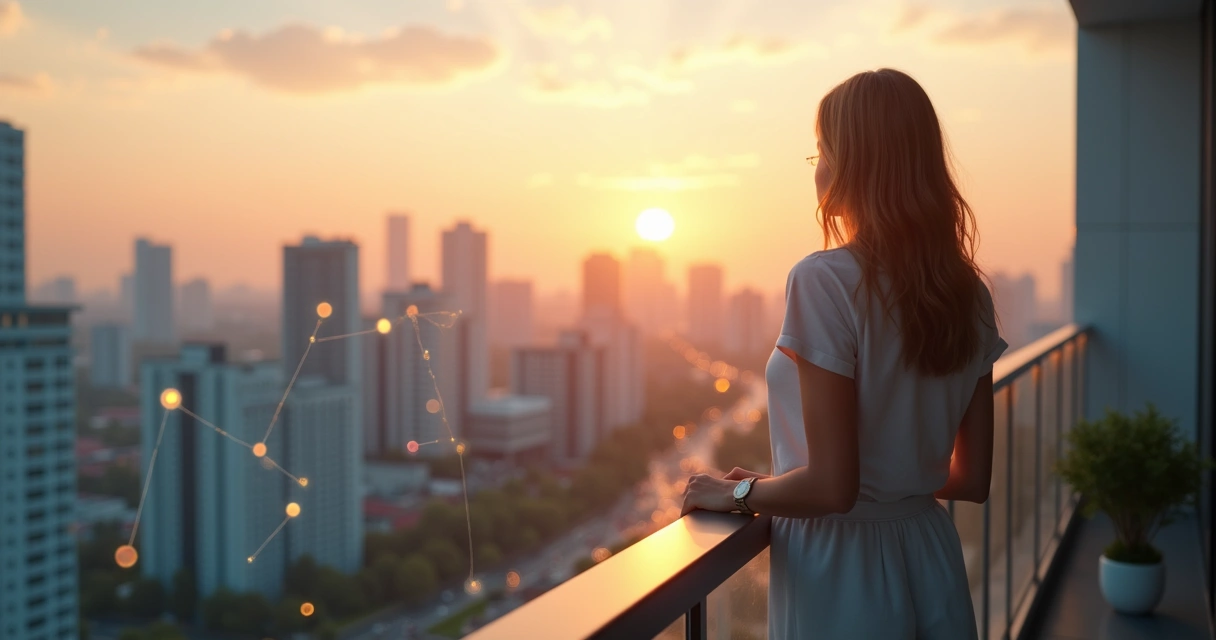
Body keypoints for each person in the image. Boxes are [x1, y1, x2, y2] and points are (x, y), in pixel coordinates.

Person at [680, 68, 1006, 639]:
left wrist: (737, 492)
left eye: (821, 154)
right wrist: (881, 478)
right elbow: (971, 478)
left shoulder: (824, 281)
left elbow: (833, 489)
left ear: (855, 165)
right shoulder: (969, 293)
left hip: (840, 567)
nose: (818, 171)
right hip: (928, 551)